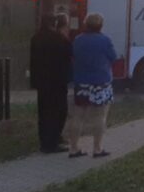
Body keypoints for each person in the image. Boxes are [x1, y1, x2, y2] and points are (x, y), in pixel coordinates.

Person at [67, 13, 117, 158]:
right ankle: (97, 149)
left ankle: (74, 148)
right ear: (101, 26)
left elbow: (73, 56)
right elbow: (113, 57)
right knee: (100, 116)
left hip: (81, 83)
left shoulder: (78, 40)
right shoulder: (105, 40)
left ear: (86, 24)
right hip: (101, 83)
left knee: (78, 116)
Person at [29, 14, 72, 154]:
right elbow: (69, 54)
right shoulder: (58, 39)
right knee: (58, 112)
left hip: (42, 83)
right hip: (57, 82)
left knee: (44, 113)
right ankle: (53, 143)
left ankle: (44, 142)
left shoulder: (35, 38)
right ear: (53, 24)